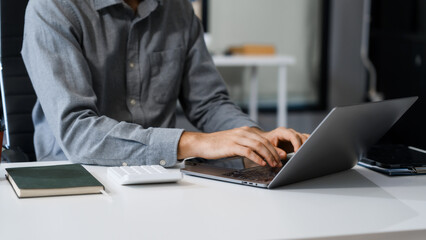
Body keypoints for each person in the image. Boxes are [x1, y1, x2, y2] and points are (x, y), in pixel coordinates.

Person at [22, 0, 309, 167]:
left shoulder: (178, 10)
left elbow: (209, 103)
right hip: (76, 177)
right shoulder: (53, 7)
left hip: (160, 173)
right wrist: (193, 142)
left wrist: (256, 141)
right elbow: (77, 132)